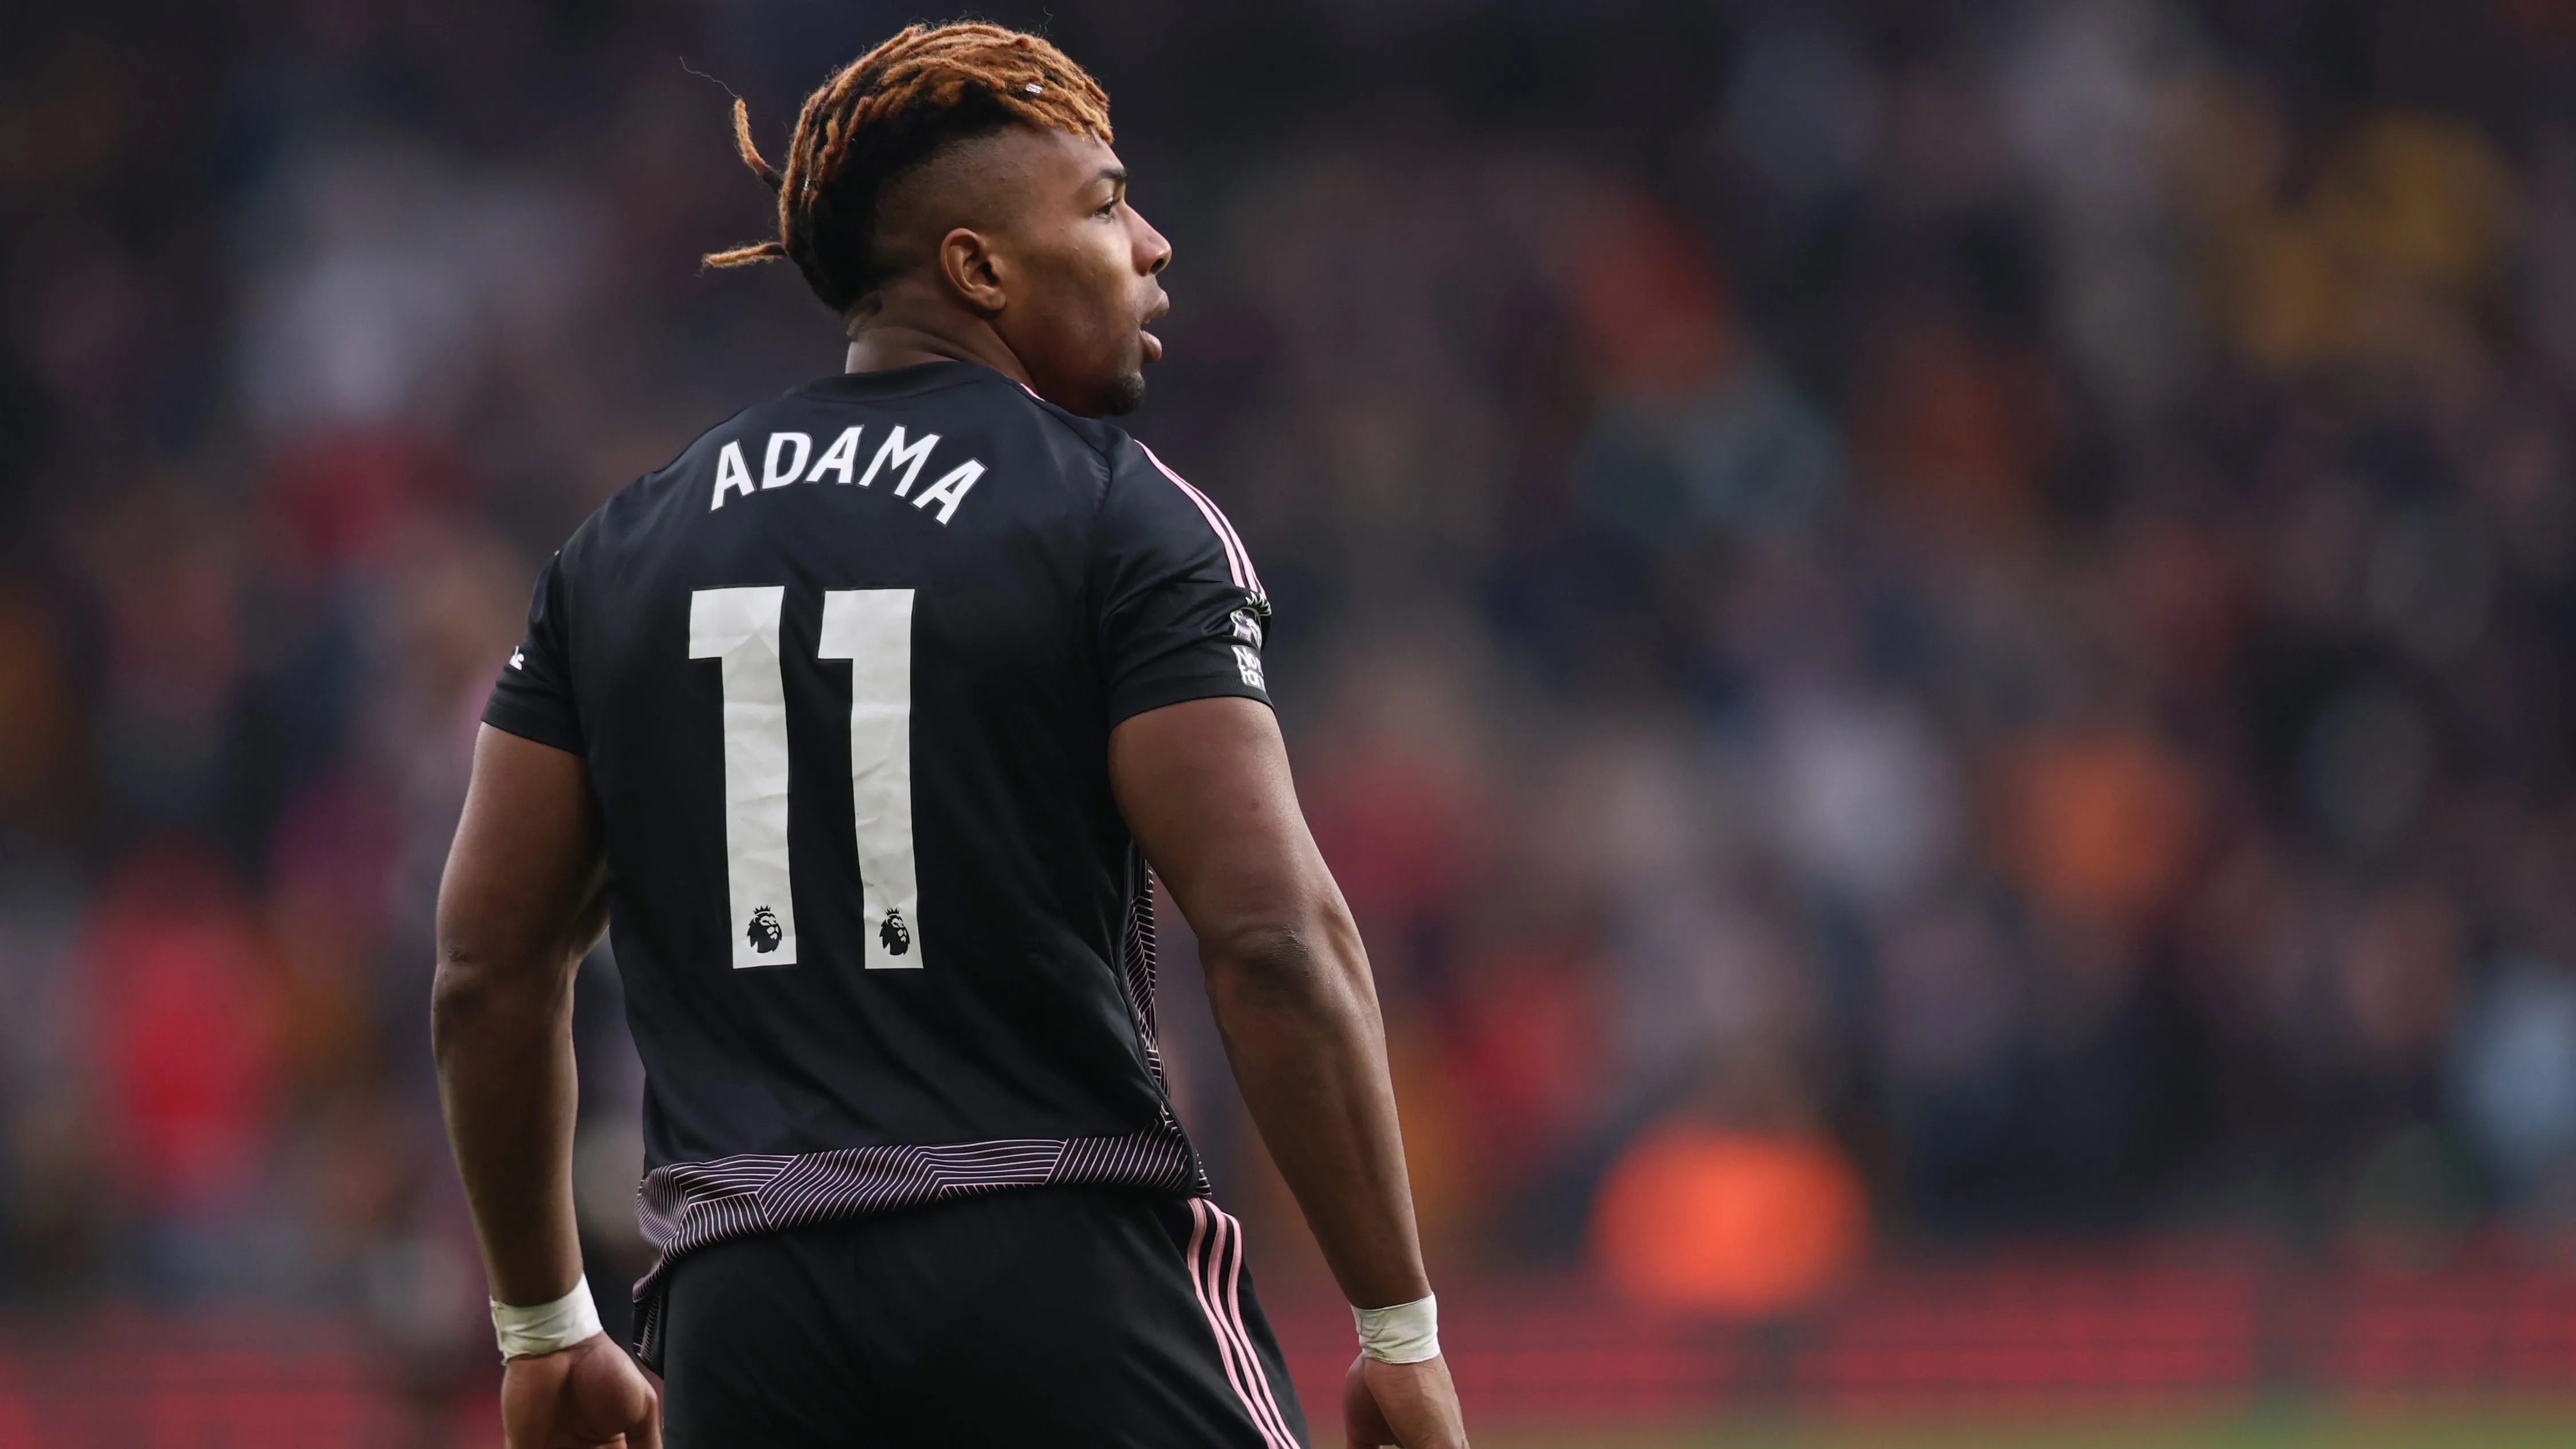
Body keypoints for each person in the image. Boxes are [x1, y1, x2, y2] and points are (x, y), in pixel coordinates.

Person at [431, 22, 1469, 1449]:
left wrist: (547, 1326)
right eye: (1106, 206)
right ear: (978, 269)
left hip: (743, 1309)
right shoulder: (1120, 511)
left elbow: (486, 966)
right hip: (1061, 1265)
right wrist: (1394, 1329)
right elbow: (1278, 940)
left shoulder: (620, 549)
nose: (1154, 244)